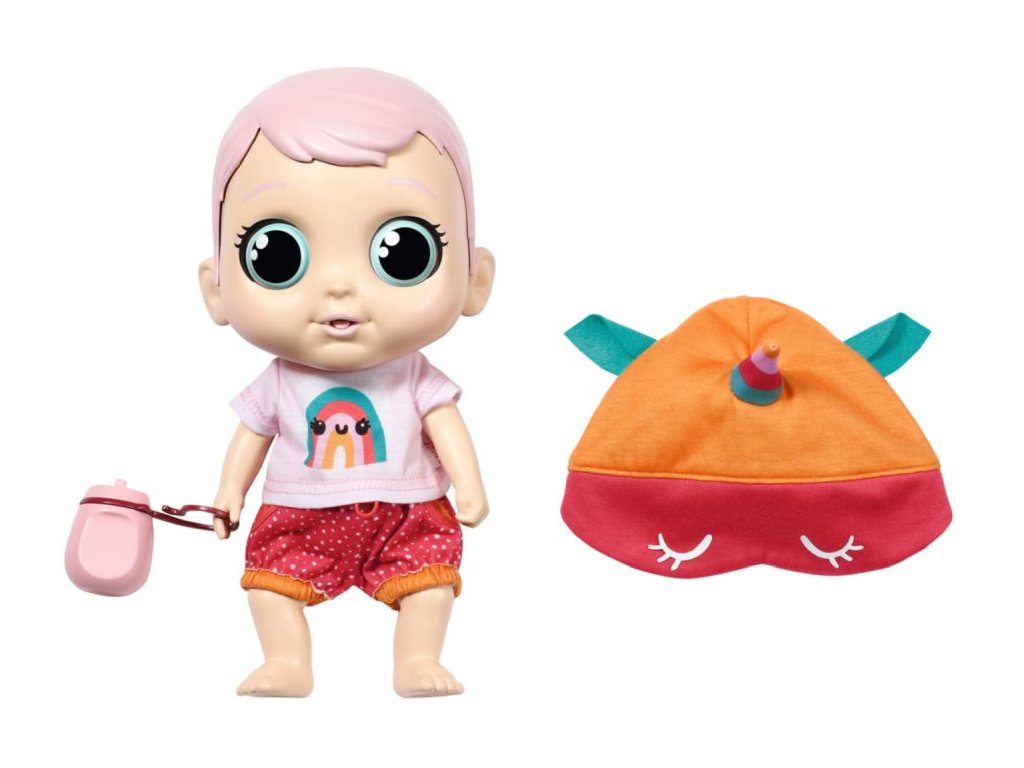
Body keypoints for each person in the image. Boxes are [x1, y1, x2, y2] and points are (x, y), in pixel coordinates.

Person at [197, 68, 495, 698]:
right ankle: (287, 661)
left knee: (430, 588)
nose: (340, 287)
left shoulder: (413, 375)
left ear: (475, 280)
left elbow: (445, 423)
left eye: (403, 251)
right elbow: (252, 434)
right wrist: (228, 492)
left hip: (407, 510)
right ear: (216, 288)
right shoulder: (281, 381)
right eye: (277, 255)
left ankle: (416, 659)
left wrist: (468, 484)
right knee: (270, 589)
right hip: (297, 511)